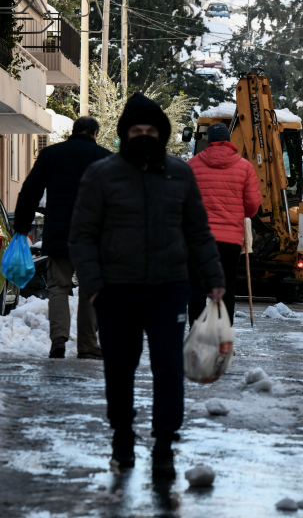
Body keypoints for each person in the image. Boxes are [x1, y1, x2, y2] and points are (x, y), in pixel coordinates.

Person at [69, 93, 225, 470]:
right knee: (120, 370)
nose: (143, 135)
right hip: (115, 291)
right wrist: (93, 286)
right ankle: (123, 438)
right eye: (136, 130)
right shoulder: (101, 174)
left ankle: (164, 446)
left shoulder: (179, 174)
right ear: (124, 133)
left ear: (161, 133)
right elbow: (82, 235)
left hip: (168, 289)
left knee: (168, 369)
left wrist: (214, 277)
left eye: (150, 130)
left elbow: (198, 231)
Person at [14, 117, 111, 359]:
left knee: (58, 286)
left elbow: (30, 190)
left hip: (60, 233)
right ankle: (88, 345)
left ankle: (58, 338)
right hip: (93, 235)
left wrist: (21, 226)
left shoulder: (52, 154)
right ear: (95, 133)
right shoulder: (106, 158)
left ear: (73, 131)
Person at [186, 123, 260, 327]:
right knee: (226, 288)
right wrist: (241, 214)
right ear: (229, 141)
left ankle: (197, 335)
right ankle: (222, 338)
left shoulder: (192, 165)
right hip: (230, 240)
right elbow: (253, 204)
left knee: (197, 289)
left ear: (209, 141)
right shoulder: (245, 167)